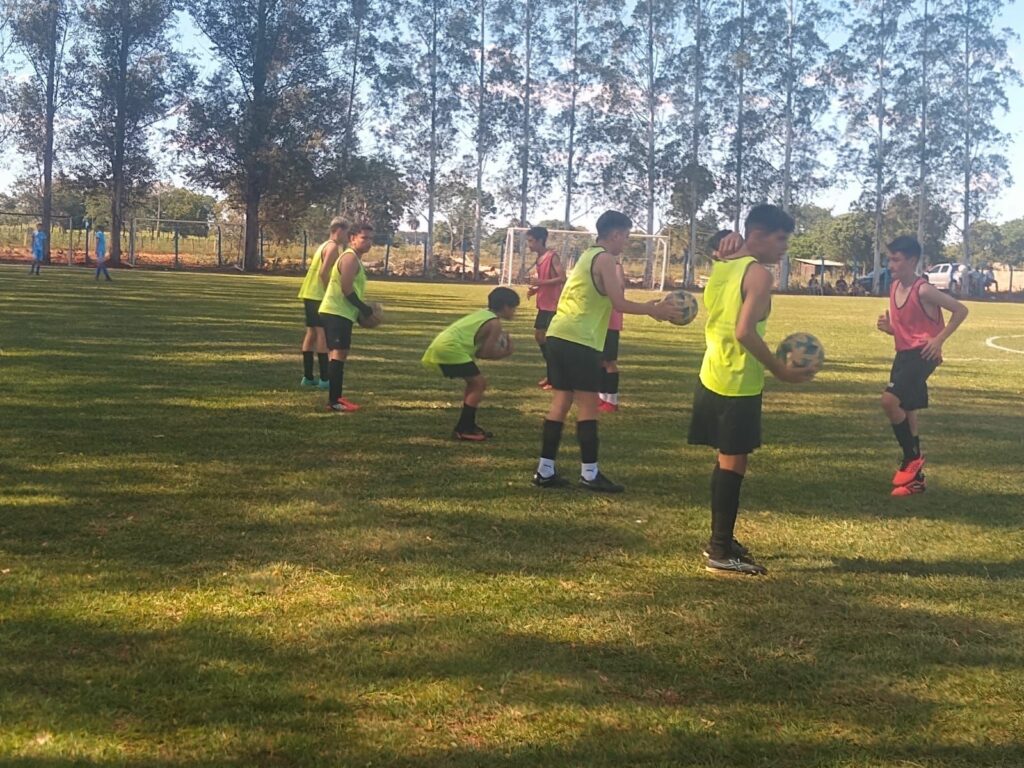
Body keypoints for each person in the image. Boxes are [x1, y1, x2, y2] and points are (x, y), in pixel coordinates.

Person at [688, 204, 813, 576]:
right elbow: (744, 331)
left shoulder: (723, 265)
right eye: (781, 238)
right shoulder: (757, 275)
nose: (784, 247)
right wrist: (781, 370)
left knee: (727, 458)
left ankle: (720, 540)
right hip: (737, 378)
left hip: (712, 372)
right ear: (756, 235)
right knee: (734, 462)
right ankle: (720, 551)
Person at [532, 210, 681, 493]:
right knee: (588, 405)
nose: (625, 241)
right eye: (625, 235)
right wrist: (654, 310)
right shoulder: (606, 259)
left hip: (558, 335)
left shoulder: (588, 256)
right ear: (615, 234)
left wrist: (651, 307)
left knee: (561, 400)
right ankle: (590, 474)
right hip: (580, 340)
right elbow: (619, 302)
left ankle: (545, 470)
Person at [876, 236, 968, 496]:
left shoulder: (924, 289)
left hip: (923, 354)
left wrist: (939, 340)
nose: (891, 264)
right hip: (904, 353)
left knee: (889, 401)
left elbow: (961, 310)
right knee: (908, 409)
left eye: (896, 259)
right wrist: (889, 329)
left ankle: (910, 458)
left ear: (912, 261)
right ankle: (916, 482)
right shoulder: (894, 287)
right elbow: (906, 329)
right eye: (890, 259)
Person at [422, 287, 519, 441]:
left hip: (444, 345)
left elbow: (479, 348)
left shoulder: (484, 314)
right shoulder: (495, 323)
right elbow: (484, 353)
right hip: (450, 349)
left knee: (474, 383)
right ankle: (464, 428)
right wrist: (506, 352)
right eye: (514, 308)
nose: (515, 312)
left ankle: (468, 425)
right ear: (506, 306)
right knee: (479, 383)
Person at [318, 222, 376, 413]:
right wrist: (364, 309)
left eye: (370, 238)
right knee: (338, 354)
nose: (368, 242)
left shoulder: (355, 259)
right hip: (336, 311)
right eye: (364, 238)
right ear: (352, 238)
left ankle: (337, 398)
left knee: (339, 354)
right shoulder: (350, 258)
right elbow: (346, 289)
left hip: (342, 312)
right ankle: (334, 400)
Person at [297, 217, 347, 389]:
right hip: (318, 295)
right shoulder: (333, 247)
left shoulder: (324, 245)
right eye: (346, 232)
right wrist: (328, 293)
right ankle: (325, 378)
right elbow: (324, 272)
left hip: (308, 293)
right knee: (321, 334)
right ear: (339, 230)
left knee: (310, 333)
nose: (347, 236)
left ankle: (308, 377)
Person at [525, 227, 565, 390]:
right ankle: (551, 376)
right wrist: (535, 290)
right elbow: (546, 280)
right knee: (540, 337)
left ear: (540, 240)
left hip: (553, 305)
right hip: (543, 303)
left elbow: (562, 278)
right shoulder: (539, 258)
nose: (529, 244)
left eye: (531, 241)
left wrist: (541, 283)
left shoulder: (552, 256)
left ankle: (556, 378)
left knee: (547, 340)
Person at [598, 259, 625, 413]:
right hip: (598, 321)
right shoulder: (599, 264)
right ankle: (602, 397)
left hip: (611, 322)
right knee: (599, 361)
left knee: (609, 362)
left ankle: (612, 400)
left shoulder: (615, 266)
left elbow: (620, 286)